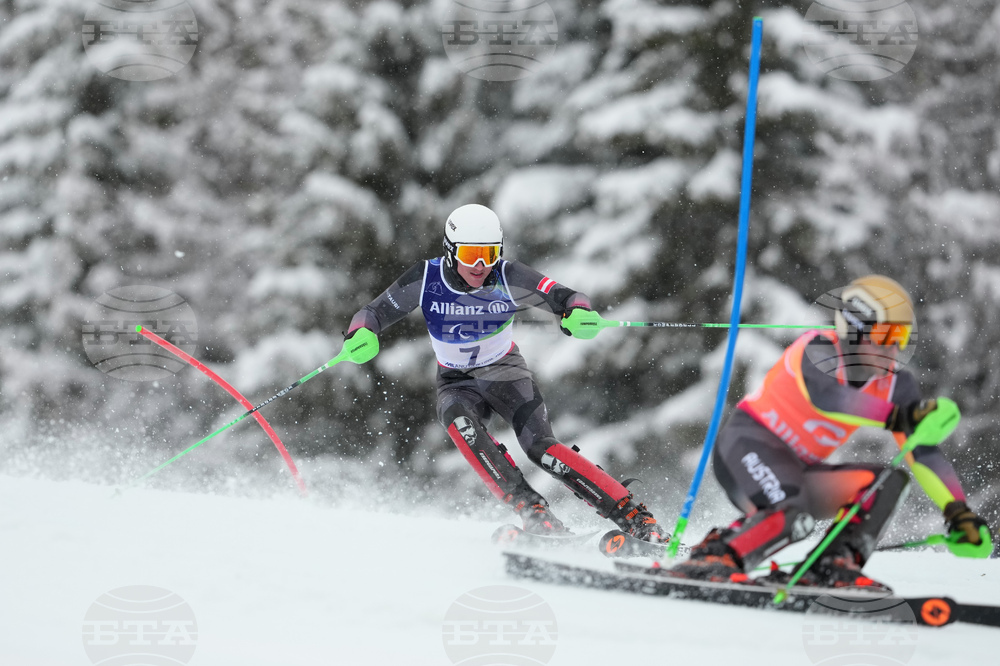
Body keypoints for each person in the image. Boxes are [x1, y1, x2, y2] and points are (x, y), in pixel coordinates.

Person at [336, 204, 669, 541]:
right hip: (457, 381)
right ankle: (536, 514)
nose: (480, 266)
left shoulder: (508, 277)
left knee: (541, 448)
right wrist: (361, 332)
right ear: (450, 252)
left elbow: (565, 296)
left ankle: (635, 518)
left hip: (506, 373)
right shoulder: (426, 280)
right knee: (459, 422)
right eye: (470, 255)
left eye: (489, 254)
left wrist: (577, 312)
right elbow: (372, 312)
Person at [669, 275, 994, 588]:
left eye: (902, 338)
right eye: (884, 336)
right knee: (789, 513)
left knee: (885, 483)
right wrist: (899, 416)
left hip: (799, 471)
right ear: (854, 329)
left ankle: (832, 565)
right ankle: (716, 556)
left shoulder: (897, 385)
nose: (892, 348)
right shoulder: (817, 349)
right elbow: (829, 398)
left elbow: (922, 451)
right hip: (746, 447)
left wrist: (957, 511)